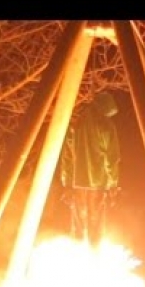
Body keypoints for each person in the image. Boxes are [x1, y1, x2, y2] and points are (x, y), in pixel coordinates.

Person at [59, 91, 121, 246]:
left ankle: (77, 251)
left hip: (77, 183)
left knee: (78, 223)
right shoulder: (106, 126)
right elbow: (112, 159)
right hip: (98, 184)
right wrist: (113, 184)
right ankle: (95, 252)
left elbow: (67, 157)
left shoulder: (75, 125)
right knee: (96, 224)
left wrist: (66, 183)